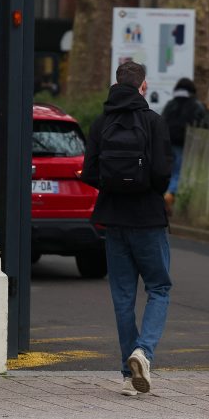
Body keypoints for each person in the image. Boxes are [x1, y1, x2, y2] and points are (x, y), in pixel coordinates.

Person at [80, 61, 173, 397]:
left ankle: (126, 374)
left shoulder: (101, 123)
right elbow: (162, 172)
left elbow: (89, 172)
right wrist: (148, 188)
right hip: (148, 217)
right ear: (143, 86)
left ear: (116, 83)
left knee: (123, 297)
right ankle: (143, 352)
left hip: (114, 217)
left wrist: (112, 186)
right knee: (159, 287)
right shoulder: (154, 122)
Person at [160, 78, 209, 214]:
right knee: (178, 172)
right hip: (183, 144)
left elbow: (161, 121)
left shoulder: (170, 104)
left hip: (166, 143)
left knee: (167, 171)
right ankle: (169, 195)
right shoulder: (196, 105)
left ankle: (163, 196)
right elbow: (205, 124)